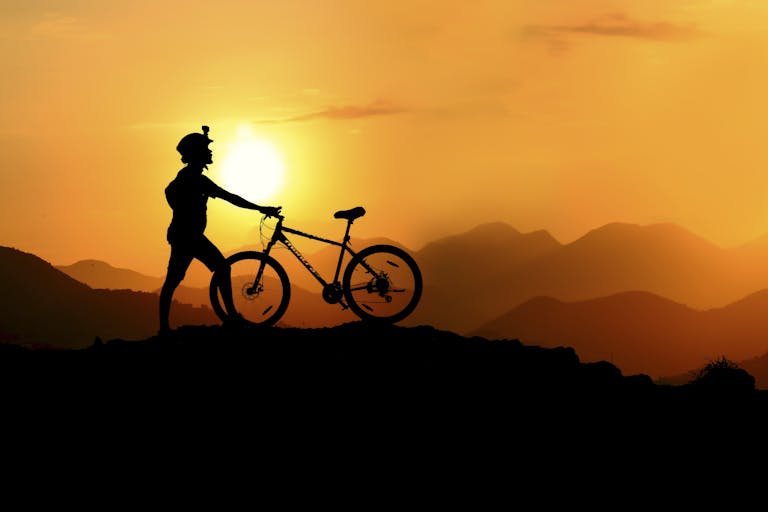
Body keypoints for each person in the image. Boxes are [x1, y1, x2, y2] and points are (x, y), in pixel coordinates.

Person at [159, 125, 281, 335]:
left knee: (176, 279)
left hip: (185, 235)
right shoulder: (194, 178)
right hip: (188, 236)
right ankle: (230, 317)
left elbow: (168, 192)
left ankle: (167, 327)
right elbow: (230, 198)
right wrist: (261, 208)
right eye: (206, 148)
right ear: (197, 153)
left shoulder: (189, 176)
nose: (210, 151)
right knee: (215, 270)